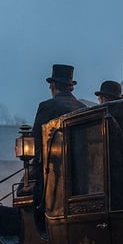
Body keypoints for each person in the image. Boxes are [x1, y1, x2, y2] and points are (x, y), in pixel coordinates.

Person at [27, 64, 85, 206]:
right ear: (71, 87)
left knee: (23, 192)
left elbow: (36, 143)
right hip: (81, 176)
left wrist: (31, 167)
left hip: (54, 174)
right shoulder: (82, 108)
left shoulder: (46, 107)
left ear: (53, 86)